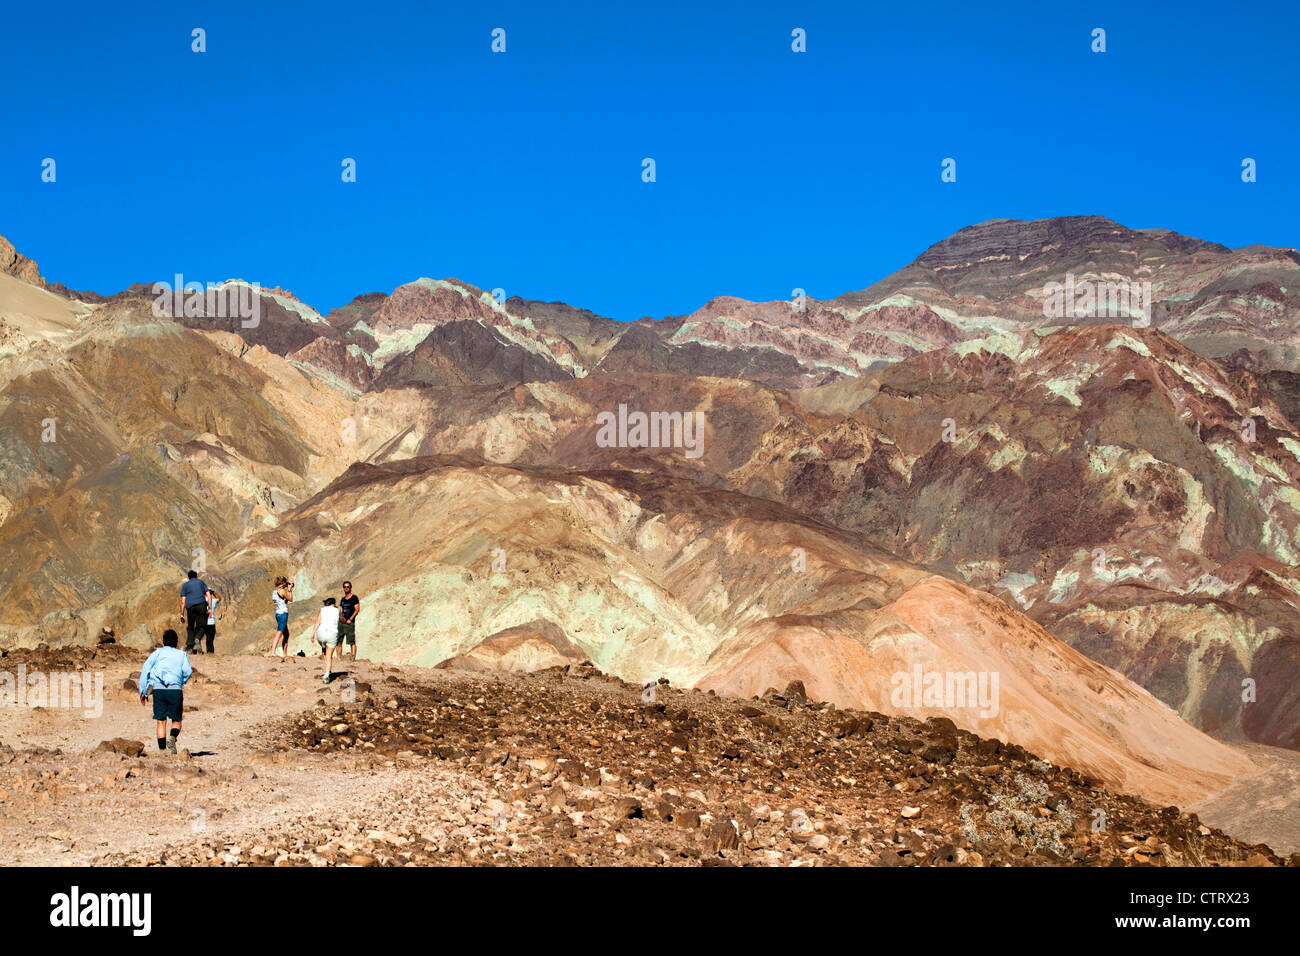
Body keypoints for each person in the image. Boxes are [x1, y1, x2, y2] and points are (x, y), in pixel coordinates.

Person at [138, 629, 193, 755]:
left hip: (158, 689)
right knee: (176, 719)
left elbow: (146, 668)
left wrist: (143, 691)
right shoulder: (182, 654)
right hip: (175, 690)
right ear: (176, 642)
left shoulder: (157, 653)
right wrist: (181, 681)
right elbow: (188, 671)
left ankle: (162, 751)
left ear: (164, 641)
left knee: (160, 721)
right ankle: (172, 738)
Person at [180, 570, 209, 653]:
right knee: (202, 625)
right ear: (196, 576)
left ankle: (189, 647)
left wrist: (182, 614)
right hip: (201, 605)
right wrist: (209, 607)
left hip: (190, 607)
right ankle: (197, 637)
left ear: (189, 577)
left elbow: (183, 601)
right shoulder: (201, 583)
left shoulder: (185, 585)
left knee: (191, 627)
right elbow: (208, 595)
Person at [314, 597, 341, 684]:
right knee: (329, 657)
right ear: (334, 603)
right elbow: (342, 619)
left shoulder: (322, 610)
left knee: (324, 647)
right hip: (331, 634)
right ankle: (327, 675)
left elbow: (317, 622)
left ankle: (323, 649)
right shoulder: (338, 610)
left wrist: (312, 634)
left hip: (320, 634)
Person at [267, 576, 294, 658]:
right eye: (285, 583)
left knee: (286, 634)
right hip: (283, 614)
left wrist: (288, 591)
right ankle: (273, 652)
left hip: (278, 613)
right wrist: (289, 590)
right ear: (282, 583)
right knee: (279, 633)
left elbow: (284, 601)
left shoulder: (274, 592)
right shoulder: (282, 591)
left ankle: (285, 654)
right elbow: (290, 599)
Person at [338, 581, 361, 660]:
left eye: (348, 587)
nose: (346, 588)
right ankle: (339, 658)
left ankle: (352, 658)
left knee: (351, 641)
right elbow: (340, 610)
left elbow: (357, 609)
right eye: (345, 587)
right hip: (342, 622)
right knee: (339, 641)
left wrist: (350, 619)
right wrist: (340, 618)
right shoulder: (342, 599)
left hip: (349, 622)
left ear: (350, 588)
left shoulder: (354, 598)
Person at [203, 587, 221, 655]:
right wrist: (213, 593)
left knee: (199, 635)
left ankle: (197, 649)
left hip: (203, 622)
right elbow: (219, 598)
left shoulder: (201, 600)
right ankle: (210, 653)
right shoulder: (213, 601)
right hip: (211, 623)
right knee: (209, 640)